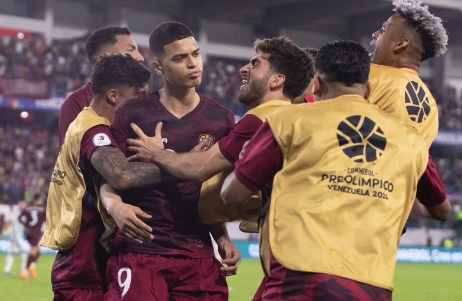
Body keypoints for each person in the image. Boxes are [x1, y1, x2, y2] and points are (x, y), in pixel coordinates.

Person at [221, 40, 428, 300]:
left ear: (316, 84)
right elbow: (437, 208)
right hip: (372, 283)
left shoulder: (286, 120)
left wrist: (250, 165)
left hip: (300, 277)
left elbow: (232, 195)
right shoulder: (411, 141)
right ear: (369, 90)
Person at [103, 21, 240, 301]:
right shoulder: (132, 112)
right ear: (158, 68)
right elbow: (110, 179)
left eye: (195, 54)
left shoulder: (220, 119)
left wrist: (222, 237)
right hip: (142, 251)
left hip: (198, 254)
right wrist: (114, 206)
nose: (192, 64)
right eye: (180, 58)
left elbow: (210, 188)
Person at [126, 36, 313, 224]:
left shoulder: (263, 119)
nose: (243, 68)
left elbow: (202, 168)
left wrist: (157, 154)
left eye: (255, 65)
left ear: (276, 80)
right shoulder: (297, 117)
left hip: (285, 237)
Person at [41, 54, 163, 301]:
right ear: (113, 96)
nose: (143, 104)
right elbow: (122, 175)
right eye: (138, 95)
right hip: (84, 267)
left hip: (83, 262)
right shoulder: (94, 130)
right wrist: (177, 163)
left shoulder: (85, 123)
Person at [368, 0, 451, 220]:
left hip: (345, 207)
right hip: (389, 223)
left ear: (400, 44)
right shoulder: (431, 106)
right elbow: (421, 164)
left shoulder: (368, 77)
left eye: (383, 30)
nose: (374, 35)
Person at [58, 26, 144, 146]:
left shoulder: (143, 98)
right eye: (130, 50)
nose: (141, 58)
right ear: (104, 58)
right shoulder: (77, 103)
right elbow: (71, 158)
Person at [18, 194, 46, 279]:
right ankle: (24, 271)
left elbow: (19, 217)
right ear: (37, 200)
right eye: (40, 200)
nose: (41, 201)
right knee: (33, 251)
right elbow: (47, 219)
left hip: (28, 231)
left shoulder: (27, 208)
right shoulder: (43, 209)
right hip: (35, 232)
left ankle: (31, 267)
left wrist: (26, 225)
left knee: (38, 251)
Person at [3, 201, 28, 280]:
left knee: (11, 252)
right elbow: (9, 222)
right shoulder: (16, 212)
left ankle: (7, 270)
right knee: (24, 250)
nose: (24, 206)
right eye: (22, 205)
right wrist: (4, 232)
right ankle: (23, 270)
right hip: (17, 237)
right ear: (19, 205)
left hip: (16, 236)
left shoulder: (24, 213)